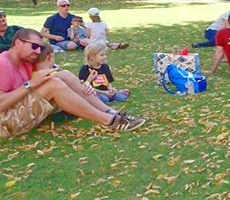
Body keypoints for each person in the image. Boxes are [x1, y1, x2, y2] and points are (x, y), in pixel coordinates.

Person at [0, 29, 145, 137]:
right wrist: (30, 84)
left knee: (63, 75)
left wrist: (83, 87)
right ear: (18, 43)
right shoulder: (3, 65)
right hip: (5, 123)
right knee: (53, 84)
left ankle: (110, 112)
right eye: (34, 46)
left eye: (40, 47)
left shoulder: (25, 60)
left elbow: (49, 73)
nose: (38, 51)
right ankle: (110, 120)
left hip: (20, 109)